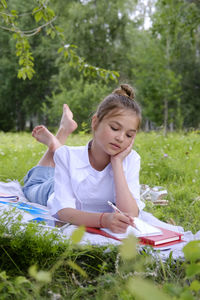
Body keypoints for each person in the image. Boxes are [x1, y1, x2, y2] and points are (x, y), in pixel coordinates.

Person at [23, 84, 145, 233]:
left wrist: (117, 163)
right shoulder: (67, 156)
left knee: (57, 162)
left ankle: (60, 137)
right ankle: (55, 143)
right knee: (31, 185)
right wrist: (103, 220)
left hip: (73, 179)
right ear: (95, 122)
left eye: (129, 135)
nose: (120, 138)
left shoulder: (131, 160)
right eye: (114, 128)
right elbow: (63, 212)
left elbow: (131, 214)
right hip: (52, 189)